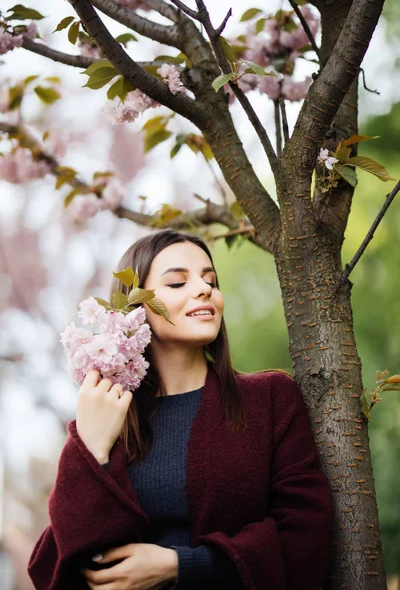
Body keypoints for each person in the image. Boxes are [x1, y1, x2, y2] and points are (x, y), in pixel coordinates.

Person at [28, 228, 333, 590]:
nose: (204, 290)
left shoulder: (270, 398)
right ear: (135, 310)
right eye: (177, 283)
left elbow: (306, 534)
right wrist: (90, 448)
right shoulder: (111, 417)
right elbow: (58, 561)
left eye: (210, 280)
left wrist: (182, 565)